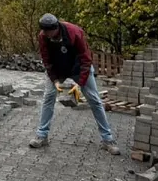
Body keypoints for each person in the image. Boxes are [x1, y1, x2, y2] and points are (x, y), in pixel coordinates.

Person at [29, 13, 120, 155]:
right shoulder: (43, 37)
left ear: (56, 28)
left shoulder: (74, 32)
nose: (46, 35)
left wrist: (79, 83)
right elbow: (47, 60)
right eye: (44, 32)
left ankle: (107, 139)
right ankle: (42, 135)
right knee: (48, 97)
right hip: (59, 68)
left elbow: (85, 59)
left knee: (94, 100)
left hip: (80, 67)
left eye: (49, 32)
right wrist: (55, 80)